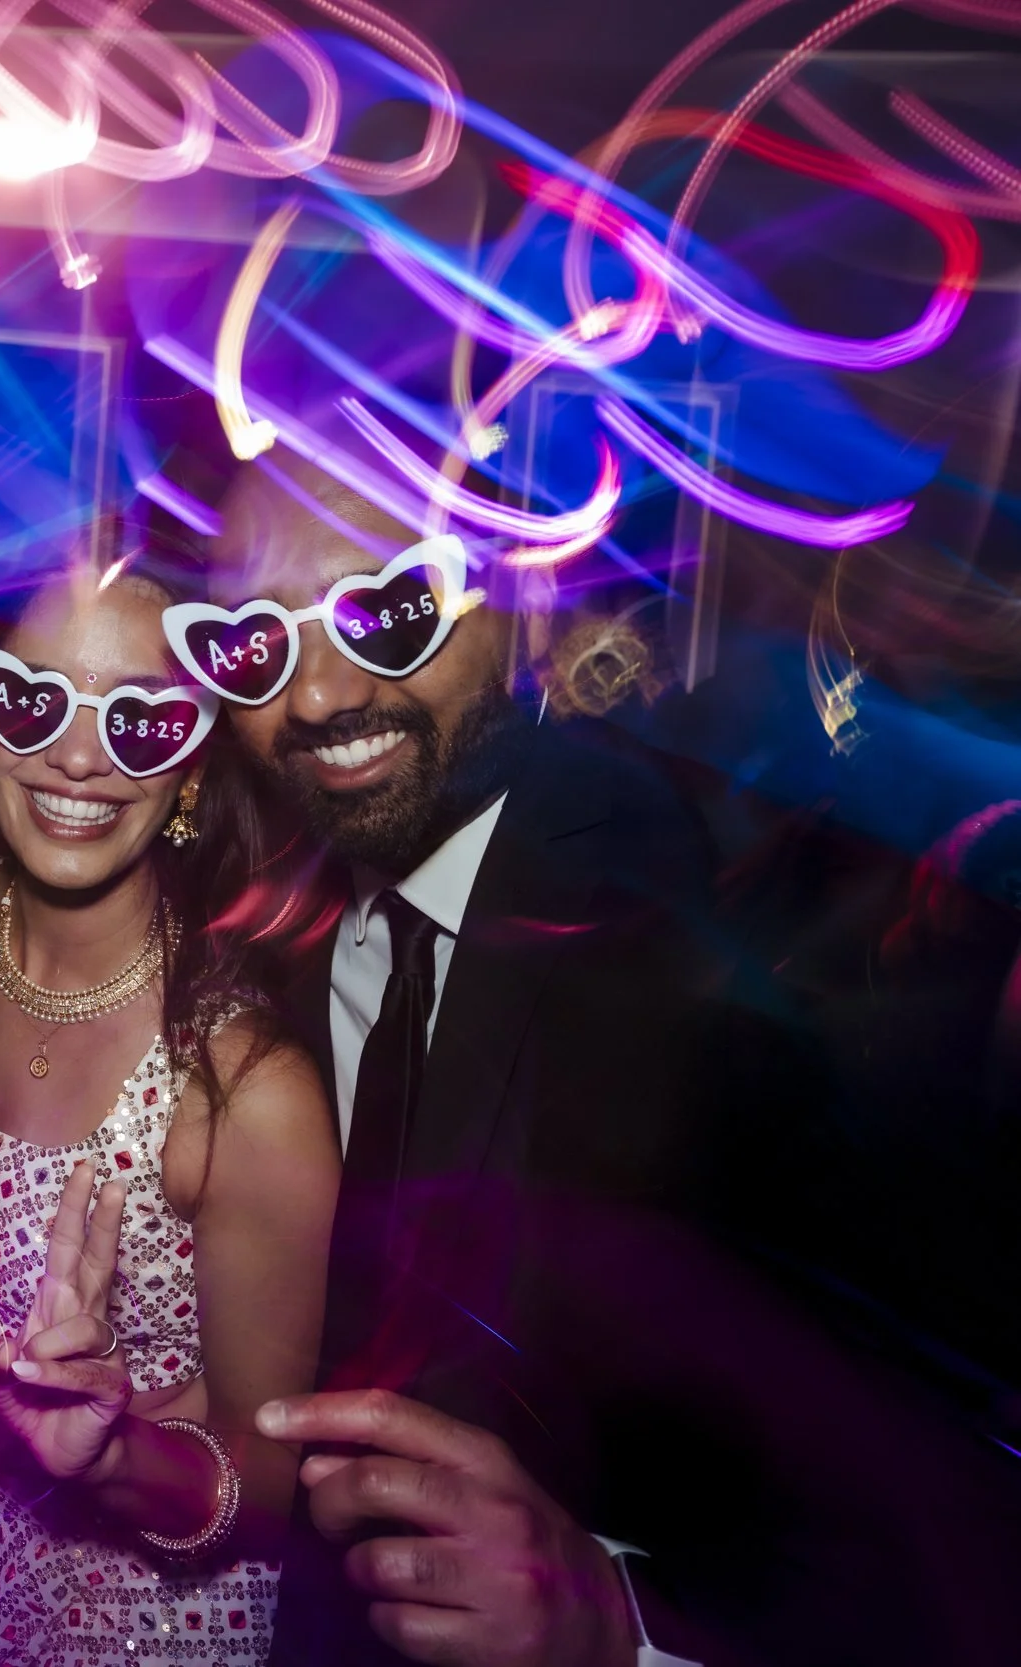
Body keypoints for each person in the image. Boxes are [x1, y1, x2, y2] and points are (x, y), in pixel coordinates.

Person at [192, 457, 1021, 1667]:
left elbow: (926, 1483)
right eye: (255, 642)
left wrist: (622, 1619)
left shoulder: (655, 943)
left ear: (518, 600)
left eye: (388, 608)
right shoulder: (271, 946)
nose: (315, 690)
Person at [0, 547, 342, 1663]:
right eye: (32, 702)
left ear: (190, 770)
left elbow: (269, 1483)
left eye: (139, 721)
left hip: (129, 1610)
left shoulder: (242, 1091)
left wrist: (109, 1453)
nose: (78, 754)